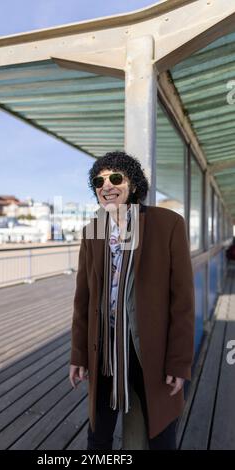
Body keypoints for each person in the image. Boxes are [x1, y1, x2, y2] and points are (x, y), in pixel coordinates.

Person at [69, 151, 195, 450]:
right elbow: (83, 300)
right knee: (97, 436)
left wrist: (178, 363)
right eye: (99, 181)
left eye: (116, 178)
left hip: (150, 350)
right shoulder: (93, 230)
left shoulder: (167, 224)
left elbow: (183, 301)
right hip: (105, 350)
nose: (106, 186)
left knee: (161, 433)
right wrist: (78, 354)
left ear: (134, 184)